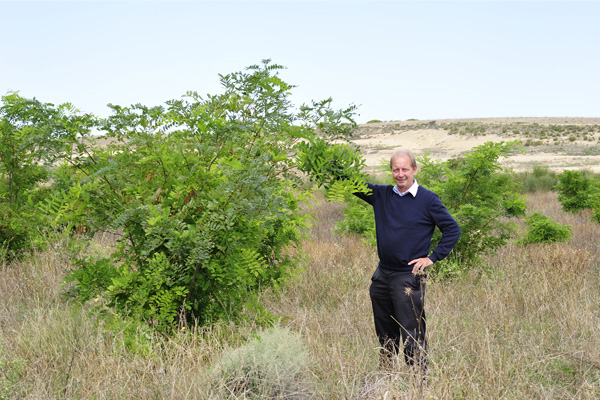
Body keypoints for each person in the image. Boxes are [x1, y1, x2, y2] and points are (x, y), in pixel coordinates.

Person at [351, 149, 461, 372]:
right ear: (391, 171)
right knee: (385, 333)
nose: (400, 174)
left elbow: (452, 229)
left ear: (414, 169)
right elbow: (351, 184)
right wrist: (330, 165)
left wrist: (432, 258)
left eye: (405, 169)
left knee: (412, 332)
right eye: (396, 169)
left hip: (408, 277)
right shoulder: (381, 195)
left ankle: (418, 383)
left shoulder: (428, 199)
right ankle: (387, 376)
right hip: (382, 275)